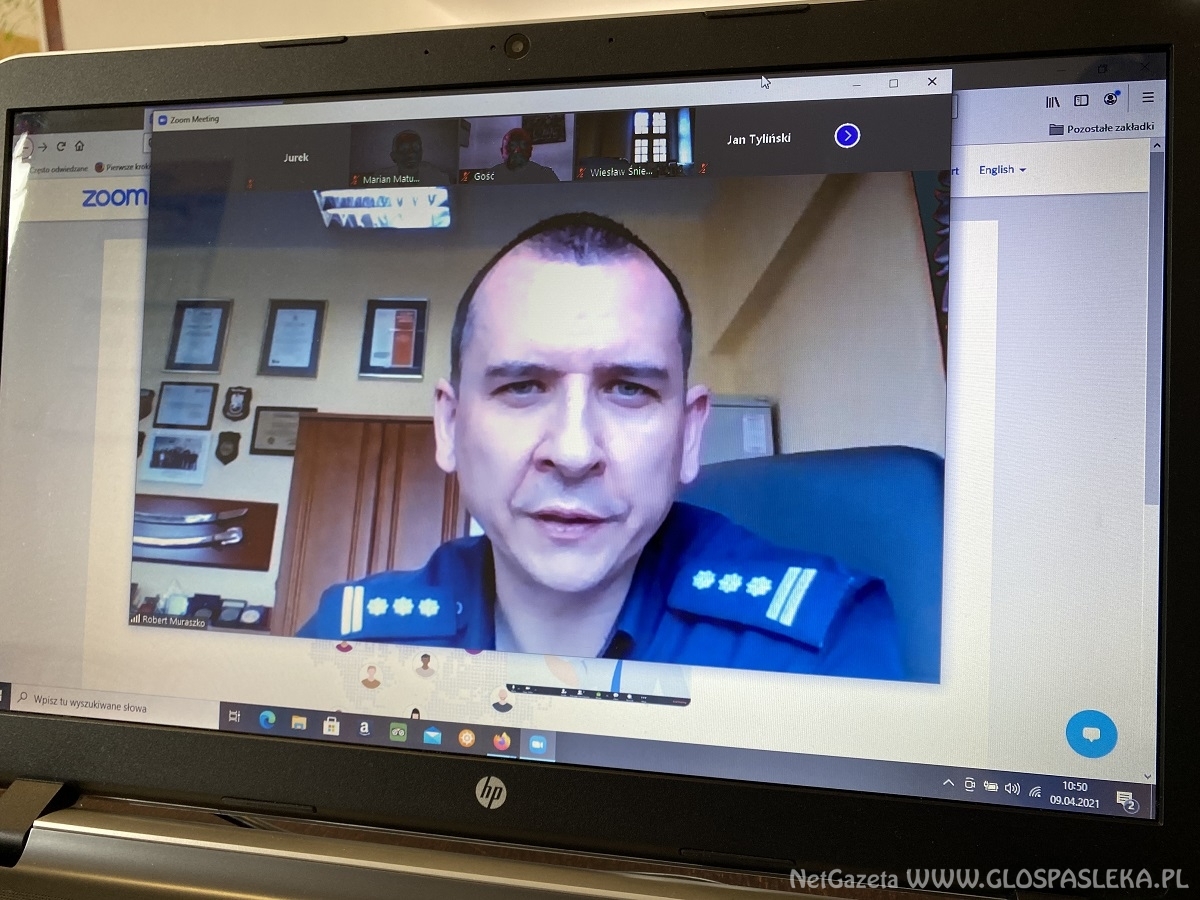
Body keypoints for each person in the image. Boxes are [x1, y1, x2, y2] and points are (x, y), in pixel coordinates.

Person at [298, 212, 906, 679]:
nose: (572, 452)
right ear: (450, 426)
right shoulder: (347, 644)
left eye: (629, 390)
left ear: (690, 435)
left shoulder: (822, 644)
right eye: (522, 386)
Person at [486, 127, 560, 184]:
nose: (517, 151)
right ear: (502, 151)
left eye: (523, 145)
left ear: (530, 150)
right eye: (511, 146)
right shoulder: (490, 177)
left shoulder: (545, 176)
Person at [375, 129, 449, 184]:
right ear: (393, 156)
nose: (411, 154)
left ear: (421, 153)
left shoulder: (436, 177)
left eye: (416, 148)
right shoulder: (381, 179)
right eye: (404, 149)